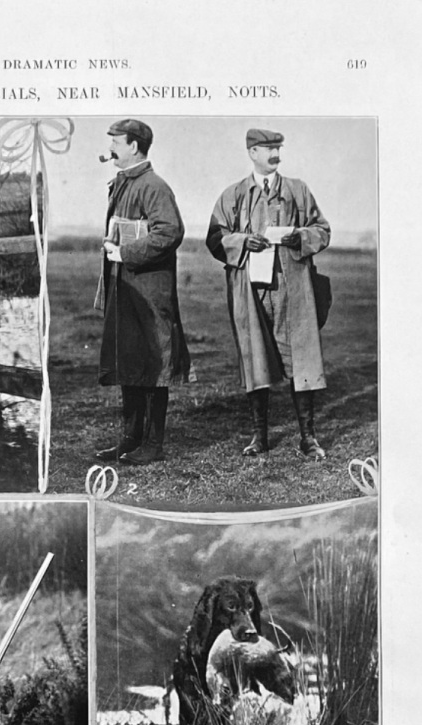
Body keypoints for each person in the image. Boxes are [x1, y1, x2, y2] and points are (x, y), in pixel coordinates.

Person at [206, 128, 331, 459]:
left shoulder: (298, 191)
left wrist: (300, 237)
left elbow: (322, 230)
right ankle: (258, 438)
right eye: (267, 148)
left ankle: (308, 437)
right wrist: (244, 241)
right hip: (251, 292)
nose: (275, 153)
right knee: (255, 361)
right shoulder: (233, 195)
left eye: (278, 148)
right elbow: (215, 239)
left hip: (293, 291)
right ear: (252, 152)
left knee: (302, 359)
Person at [95, 119, 191, 467]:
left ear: (134, 146)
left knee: (153, 361)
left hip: (149, 290)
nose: (111, 149)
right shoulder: (123, 183)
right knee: (129, 361)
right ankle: (130, 440)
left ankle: (153, 444)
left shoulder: (153, 185)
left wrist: (127, 253)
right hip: (126, 288)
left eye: (116, 142)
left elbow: (170, 231)